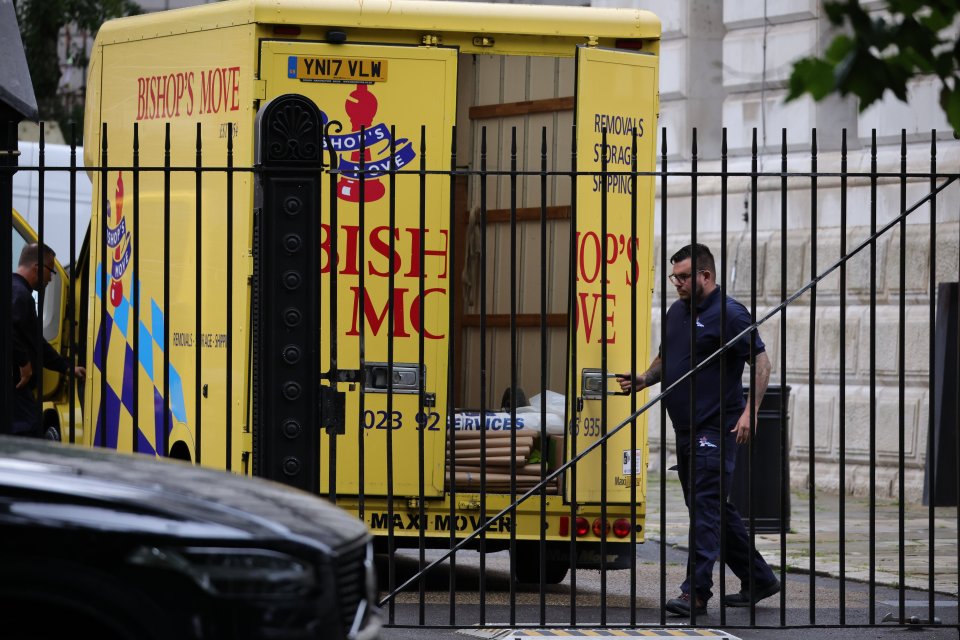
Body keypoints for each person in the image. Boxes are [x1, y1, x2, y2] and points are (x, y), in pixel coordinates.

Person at [617, 243, 779, 617]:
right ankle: (760, 578)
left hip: (716, 428)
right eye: (675, 277)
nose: (678, 283)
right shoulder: (677, 311)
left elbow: (762, 363)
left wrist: (749, 413)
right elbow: (666, 356)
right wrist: (644, 379)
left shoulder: (731, 314)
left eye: (685, 277)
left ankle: (697, 593)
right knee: (711, 509)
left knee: (705, 509)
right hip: (686, 430)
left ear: (706, 276)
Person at [10, 243, 85, 437]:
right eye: (51, 270)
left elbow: (37, 342)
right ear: (37, 267)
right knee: (28, 431)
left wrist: (67, 368)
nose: (51, 278)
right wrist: (24, 364)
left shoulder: (15, 289)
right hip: (15, 384)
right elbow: (11, 329)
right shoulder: (20, 295)